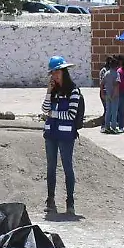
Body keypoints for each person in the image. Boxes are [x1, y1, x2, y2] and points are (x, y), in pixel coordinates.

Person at [40, 56, 84, 216]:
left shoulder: (74, 91)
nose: (55, 76)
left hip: (66, 136)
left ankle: (70, 201)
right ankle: (50, 199)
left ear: (64, 72)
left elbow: (71, 114)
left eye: (57, 72)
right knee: (50, 167)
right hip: (51, 134)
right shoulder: (54, 91)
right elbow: (45, 109)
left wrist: (54, 113)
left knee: (67, 168)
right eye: (53, 73)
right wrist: (48, 92)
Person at [99, 57, 121, 133]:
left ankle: (106, 127)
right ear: (116, 66)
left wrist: (102, 93)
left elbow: (102, 84)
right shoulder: (117, 73)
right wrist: (114, 94)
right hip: (115, 95)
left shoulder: (106, 73)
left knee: (108, 111)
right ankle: (113, 127)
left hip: (107, 94)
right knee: (114, 112)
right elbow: (116, 84)